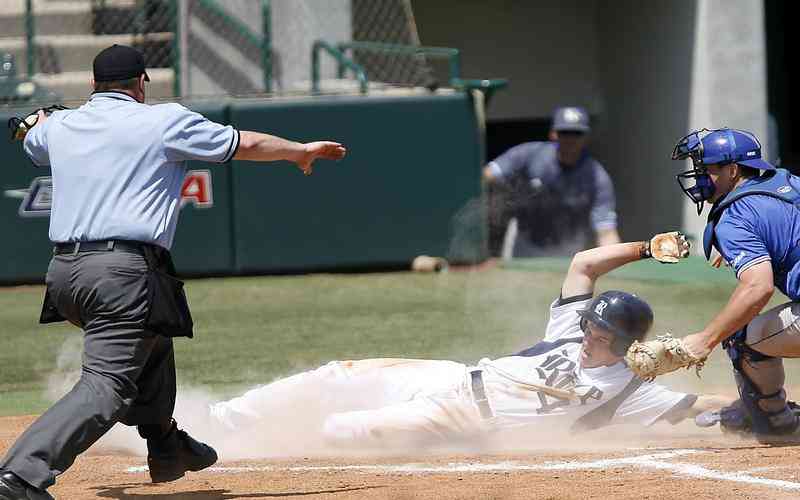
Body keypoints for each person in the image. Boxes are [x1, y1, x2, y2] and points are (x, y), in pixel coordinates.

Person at [0, 44, 346, 500]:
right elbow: (247, 143)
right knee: (107, 385)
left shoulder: (63, 125)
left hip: (65, 274)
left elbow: (29, 135)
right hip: (121, 272)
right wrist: (298, 150)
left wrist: (32, 125)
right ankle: (20, 475)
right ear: (142, 82)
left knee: (154, 337)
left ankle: (166, 445)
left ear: (93, 84)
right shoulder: (163, 120)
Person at [206, 234, 731, 450]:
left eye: (602, 334)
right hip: (452, 376)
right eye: (591, 326)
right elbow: (584, 264)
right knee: (334, 377)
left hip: (465, 420)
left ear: (626, 343)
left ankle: (252, 449)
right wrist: (648, 247)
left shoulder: (631, 390)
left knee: (343, 431)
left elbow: (704, 405)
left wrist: (764, 406)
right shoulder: (572, 333)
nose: (590, 335)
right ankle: (217, 423)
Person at [670, 127, 800, 445]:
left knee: (740, 335)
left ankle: (775, 418)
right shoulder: (791, 182)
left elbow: (758, 288)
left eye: (707, 169)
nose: (699, 177)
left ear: (732, 170)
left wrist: (705, 339)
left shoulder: (735, 217)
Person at [483, 106, 621, 259]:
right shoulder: (530, 154)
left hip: (569, 250)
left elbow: (606, 231)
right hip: (525, 244)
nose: (570, 139)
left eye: (577, 133)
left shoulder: (597, 177)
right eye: (564, 133)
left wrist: (615, 266)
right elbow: (488, 174)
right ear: (553, 134)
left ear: (586, 137)